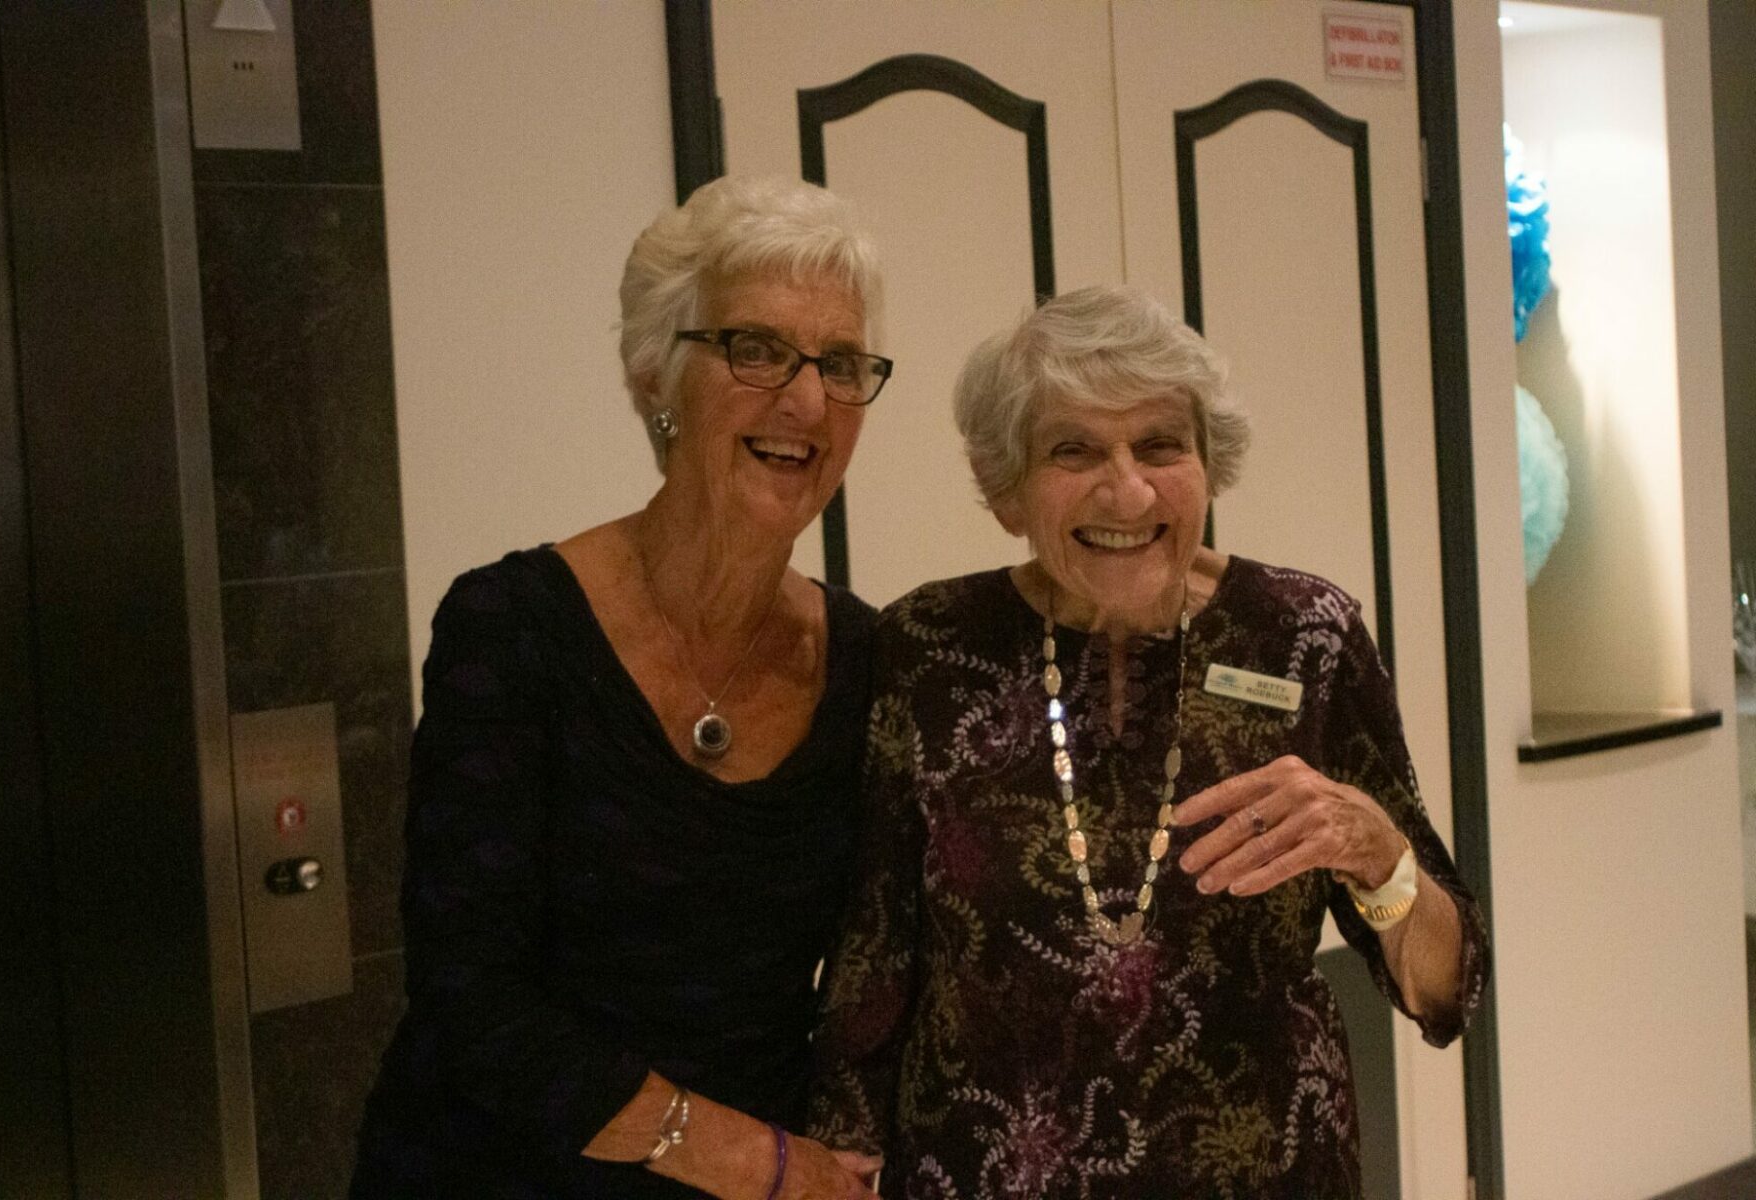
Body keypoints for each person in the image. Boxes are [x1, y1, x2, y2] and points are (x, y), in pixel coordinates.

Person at [807, 284, 1489, 1199]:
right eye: (1074, 450)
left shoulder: (1302, 635)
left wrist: (1379, 853)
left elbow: (1445, 986)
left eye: (1161, 445)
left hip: (1265, 1171)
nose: (1127, 491)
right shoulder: (929, 645)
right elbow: (874, 943)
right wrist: (839, 1148)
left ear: (1210, 464)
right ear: (1009, 490)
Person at [352, 176, 893, 1199]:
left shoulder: (867, 657)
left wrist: (1195, 600)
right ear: (654, 375)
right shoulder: (515, 628)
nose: (808, 402)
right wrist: (757, 1161)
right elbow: (471, 999)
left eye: (840, 363)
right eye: (757, 349)